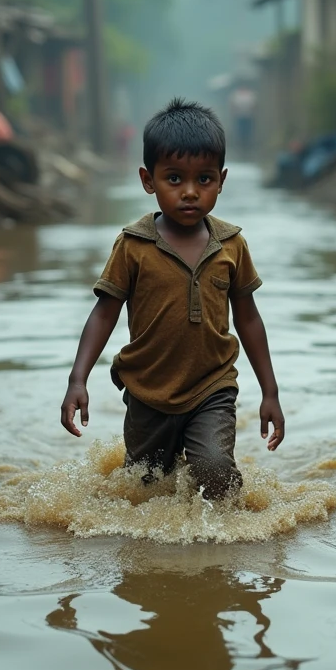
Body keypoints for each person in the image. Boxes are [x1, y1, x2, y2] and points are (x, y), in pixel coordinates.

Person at [60, 97, 285, 499]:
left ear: (221, 180)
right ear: (149, 180)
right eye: (175, 178)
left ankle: (221, 553)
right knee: (146, 490)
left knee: (216, 473)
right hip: (148, 391)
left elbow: (249, 320)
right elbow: (103, 314)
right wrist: (78, 378)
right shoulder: (132, 245)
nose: (190, 192)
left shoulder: (231, 245)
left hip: (212, 387)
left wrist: (271, 392)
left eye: (204, 179)